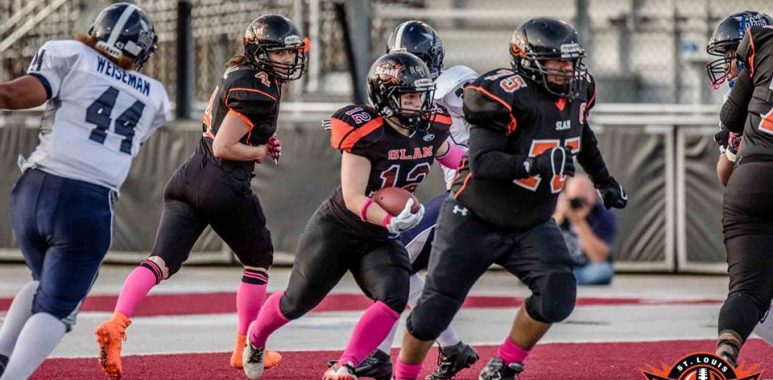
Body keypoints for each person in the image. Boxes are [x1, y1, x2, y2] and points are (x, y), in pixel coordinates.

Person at [394, 17, 627, 380]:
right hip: (474, 214)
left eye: (570, 61)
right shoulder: (501, 94)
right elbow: (484, 163)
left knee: (557, 295)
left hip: (531, 221)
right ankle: (403, 376)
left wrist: (604, 180)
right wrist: (537, 163)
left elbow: (582, 132)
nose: (566, 70)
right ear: (527, 60)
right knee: (433, 312)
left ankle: (505, 364)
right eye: (555, 62)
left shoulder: (579, 89)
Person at [93, 14, 307, 379]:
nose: (289, 60)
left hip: (188, 177)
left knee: (159, 262)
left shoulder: (237, 73)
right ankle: (244, 346)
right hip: (223, 185)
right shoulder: (259, 87)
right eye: (281, 53)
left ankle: (116, 324)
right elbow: (225, 146)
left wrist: (259, 139)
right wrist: (257, 152)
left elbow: (228, 129)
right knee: (258, 260)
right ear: (260, 53)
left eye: (291, 53)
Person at [242, 51, 464, 380]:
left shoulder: (430, 129)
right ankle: (256, 337)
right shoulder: (363, 130)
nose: (421, 104)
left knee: (394, 295)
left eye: (422, 95)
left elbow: (456, 158)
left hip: (379, 238)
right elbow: (353, 196)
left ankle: (347, 364)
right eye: (411, 96)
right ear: (387, 98)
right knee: (296, 302)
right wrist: (392, 221)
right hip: (340, 229)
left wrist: (492, 171)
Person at [0, 3, 171, 379]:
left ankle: (1, 356)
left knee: (44, 282)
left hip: (33, 190)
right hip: (86, 201)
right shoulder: (155, 96)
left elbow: (15, 95)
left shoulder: (69, 53)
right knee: (59, 305)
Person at [333, 20, 479, 380]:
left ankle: (409, 352)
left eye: (414, 63)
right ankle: (446, 346)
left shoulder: (452, 84)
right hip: (465, 190)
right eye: (400, 64)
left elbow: (479, 107)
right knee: (398, 268)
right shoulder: (419, 96)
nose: (407, 74)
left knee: (393, 263)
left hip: (469, 192)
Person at [711, 14, 773, 366]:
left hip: (748, 187)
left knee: (749, 291)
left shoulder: (745, 93)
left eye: (729, 55)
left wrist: (736, 143)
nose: (726, 66)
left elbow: (725, 174)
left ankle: (724, 354)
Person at [553, 174, 617, 285]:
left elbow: (598, 258)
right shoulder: (554, 208)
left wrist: (579, 223)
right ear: (566, 196)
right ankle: (560, 281)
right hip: (557, 267)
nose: (580, 204)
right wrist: (557, 218)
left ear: (594, 197)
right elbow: (540, 247)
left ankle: (559, 282)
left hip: (584, 269)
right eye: (576, 200)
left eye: (584, 199)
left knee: (604, 271)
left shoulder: (603, 215)